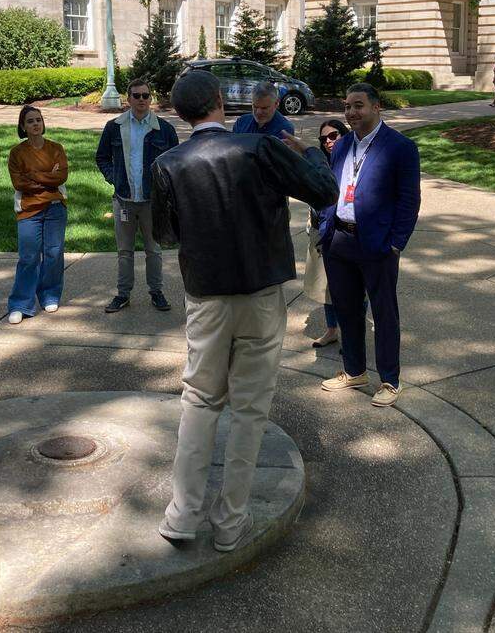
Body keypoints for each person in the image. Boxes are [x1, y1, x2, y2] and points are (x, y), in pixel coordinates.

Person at [151, 69, 337, 552]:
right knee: (250, 408)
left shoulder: (168, 162)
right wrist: (311, 148)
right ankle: (230, 521)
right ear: (219, 101)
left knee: (199, 401)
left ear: (180, 112)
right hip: (259, 292)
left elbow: (165, 235)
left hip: (207, 296)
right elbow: (323, 190)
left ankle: (183, 514)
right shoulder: (259, 148)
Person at [318, 83, 422, 408]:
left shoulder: (400, 147)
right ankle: (354, 370)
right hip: (340, 241)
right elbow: (330, 190)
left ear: (377, 107)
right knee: (347, 310)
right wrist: (325, 229)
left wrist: (395, 244)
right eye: (347, 106)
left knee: (384, 313)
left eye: (358, 105)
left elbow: (409, 201)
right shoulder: (341, 145)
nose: (351, 112)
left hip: (377, 245)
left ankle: (390, 379)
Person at [95, 78, 180, 313]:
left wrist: (165, 189)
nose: (141, 100)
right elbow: (102, 157)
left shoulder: (164, 130)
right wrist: (115, 178)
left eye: (145, 95)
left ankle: (156, 292)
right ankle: (123, 294)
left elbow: (175, 162)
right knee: (124, 251)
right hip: (124, 199)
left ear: (150, 98)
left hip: (152, 202)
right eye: (137, 95)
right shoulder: (115, 127)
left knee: (154, 250)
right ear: (128, 98)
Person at [302, 118, 364, 347]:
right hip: (321, 232)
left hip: (347, 233)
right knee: (325, 286)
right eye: (323, 138)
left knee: (355, 288)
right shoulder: (320, 165)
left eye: (333, 136)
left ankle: (352, 333)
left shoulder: (354, 161)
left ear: (344, 135)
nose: (328, 142)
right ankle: (332, 330)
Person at [7, 106, 69, 324]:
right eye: (30, 121)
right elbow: (19, 182)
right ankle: (20, 304)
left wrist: (33, 175)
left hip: (55, 208)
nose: (35, 124)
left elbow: (61, 177)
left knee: (53, 253)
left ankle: (50, 295)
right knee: (28, 257)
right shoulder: (17, 153)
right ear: (23, 126)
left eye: (38, 120)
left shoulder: (56, 148)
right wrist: (45, 177)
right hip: (29, 209)